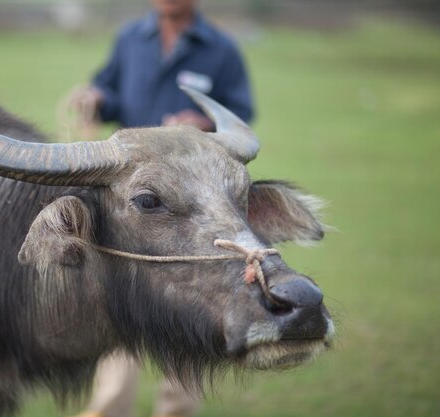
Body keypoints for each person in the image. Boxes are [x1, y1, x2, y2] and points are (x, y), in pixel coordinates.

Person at [70, 1, 255, 416]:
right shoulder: (131, 39)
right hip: (135, 203)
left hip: (193, 206)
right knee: (123, 308)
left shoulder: (220, 48)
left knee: (194, 308)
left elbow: (239, 115)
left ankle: (177, 410)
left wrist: (199, 122)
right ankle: (109, 408)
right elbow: (110, 90)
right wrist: (96, 96)